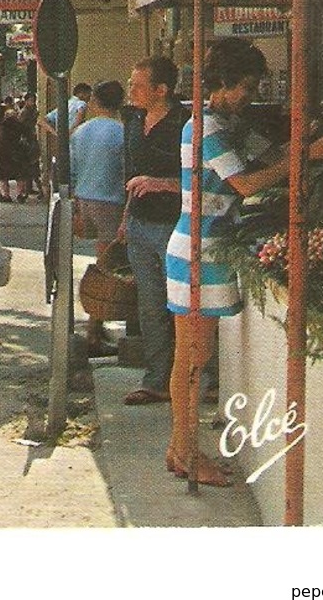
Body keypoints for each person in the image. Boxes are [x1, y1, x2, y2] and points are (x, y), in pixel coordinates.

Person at [163, 38, 323, 485]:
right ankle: (186, 453)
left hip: (213, 247)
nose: (250, 94)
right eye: (244, 86)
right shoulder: (206, 128)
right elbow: (246, 183)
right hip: (198, 251)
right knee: (194, 357)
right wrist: (303, 154)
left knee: (194, 357)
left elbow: (274, 156)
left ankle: (179, 448)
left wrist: (308, 140)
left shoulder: (231, 122)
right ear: (221, 83)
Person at [118, 56, 188, 407]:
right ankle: (157, 379)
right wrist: (125, 217)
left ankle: (193, 378)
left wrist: (160, 184)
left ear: (161, 90)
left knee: (183, 306)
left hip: (175, 225)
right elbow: (131, 173)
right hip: (140, 225)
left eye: (138, 85)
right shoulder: (132, 120)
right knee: (149, 307)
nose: (131, 90)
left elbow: (203, 180)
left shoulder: (184, 123)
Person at [70, 79, 127, 357]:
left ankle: (98, 322)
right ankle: (94, 328)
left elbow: (71, 171)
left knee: (101, 262)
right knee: (108, 266)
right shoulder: (122, 132)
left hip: (85, 200)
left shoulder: (80, 132)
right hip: (111, 201)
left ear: (94, 102)